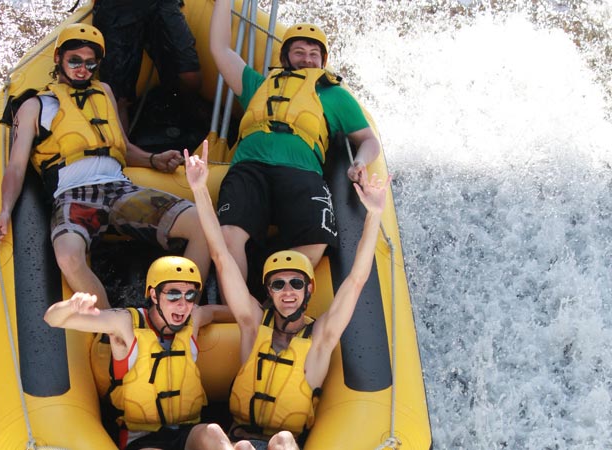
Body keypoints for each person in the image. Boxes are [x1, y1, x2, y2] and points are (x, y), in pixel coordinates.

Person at [184, 141, 390, 449]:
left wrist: (373, 214)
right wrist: (200, 190)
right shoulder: (253, 323)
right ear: (268, 291)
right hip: (236, 441)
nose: (288, 292)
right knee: (209, 433)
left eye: (296, 283)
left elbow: (357, 280)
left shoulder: (321, 339)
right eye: (278, 285)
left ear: (309, 289)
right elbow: (221, 257)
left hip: (283, 446)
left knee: (281, 441)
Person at [0, 24, 210, 309]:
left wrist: (153, 159)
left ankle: (180, 312)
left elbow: (123, 149)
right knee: (69, 256)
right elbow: (16, 167)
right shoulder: (35, 105)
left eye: (90, 63)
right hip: (72, 195)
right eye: (75, 61)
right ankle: (113, 328)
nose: (83, 69)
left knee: (202, 224)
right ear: (58, 58)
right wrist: (5, 209)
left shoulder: (104, 92)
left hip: (119, 189)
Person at [209, 0, 382, 281]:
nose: (307, 58)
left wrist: (360, 162)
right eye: (299, 52)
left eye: (314, 54)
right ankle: (237, 306)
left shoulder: (334, 95)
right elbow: (220, 49)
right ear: (285, 57)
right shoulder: (258, 85)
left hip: (301, 173)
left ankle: (273, 307)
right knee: (229, 236)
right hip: (249, 168)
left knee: (315, 242)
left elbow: (368, 139)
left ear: (322, 61)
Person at [44, 255, 235, 450]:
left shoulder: (193, 317)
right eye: (173, 295)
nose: (182, 304)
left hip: (186, 430)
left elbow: (219, 312)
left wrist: (262, 313)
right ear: (154, 295)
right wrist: (71, 305)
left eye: (190, 296)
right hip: (141, 437)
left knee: (212, 432)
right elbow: (52, 319)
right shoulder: (124, 323)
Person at [92, 0, 203, 134]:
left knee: (190, 75)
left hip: (160, 3)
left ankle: (184, 110)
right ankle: (123, 150)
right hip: (115, 8)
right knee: (118, 96)